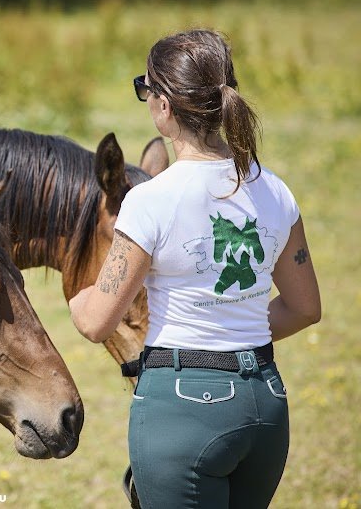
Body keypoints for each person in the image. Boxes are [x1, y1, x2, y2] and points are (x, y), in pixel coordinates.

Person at [69, 29, 321, 508]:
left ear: (163, 105)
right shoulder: (275, 191)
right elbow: (306, 308)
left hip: (181, 410)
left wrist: (77, 300)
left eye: (147, 90)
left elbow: (97, 321)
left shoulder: (149, 200)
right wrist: (230, 323)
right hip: (265, 404)